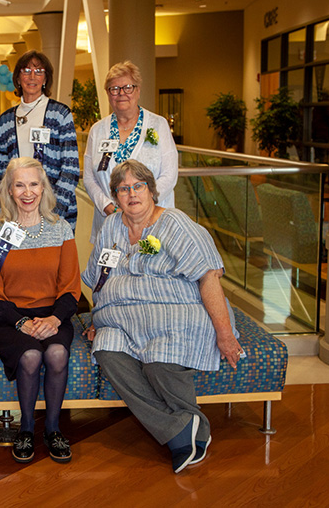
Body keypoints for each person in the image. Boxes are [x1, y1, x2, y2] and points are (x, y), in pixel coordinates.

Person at [81, 159, 243, 473]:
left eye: (138, 186)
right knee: (106, 350)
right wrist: (96, 319)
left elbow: (209, 276)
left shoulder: (175, 223)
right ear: (115, 197)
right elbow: (98, 280)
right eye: (123, 189)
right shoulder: (111, 227)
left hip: (176, 314)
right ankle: (182, 428)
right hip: (121, 320)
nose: (132, 194)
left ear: (152, 191)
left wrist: (224, 334)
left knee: (159, 361)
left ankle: (181, 432)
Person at [0, 157, 81, 464]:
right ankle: (25, 429)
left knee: (57, 353)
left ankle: (52, 429)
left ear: (43, 188)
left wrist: (54, 319)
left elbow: (71, 288)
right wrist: (20, 321)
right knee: (31, 355)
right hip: (7, 317)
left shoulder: (60, 228)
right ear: (9, 190)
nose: (27, 192)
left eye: (34, 184)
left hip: (53, 314)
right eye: (19, 185)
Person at [83, 61, 178, 239]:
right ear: (108, 94)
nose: (121, 94)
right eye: (114, 89)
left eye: (128, 87)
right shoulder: (97, 130)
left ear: (138, 90)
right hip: (110, 220)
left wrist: (142, 205)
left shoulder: (158, 124)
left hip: (153, 221)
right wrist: (107, 206)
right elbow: (89, 178)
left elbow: (170, 174)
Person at [0, 50, 80, 229]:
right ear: (18, 78)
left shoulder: (60, 114)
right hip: (16, 210)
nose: (32, 76)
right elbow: (3, 171)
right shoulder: (5, 120)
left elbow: (71, 167)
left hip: (56, 210)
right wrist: (5, 209)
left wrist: (53, 211)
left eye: (39, 71)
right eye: (26, 71)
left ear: (45, 79)